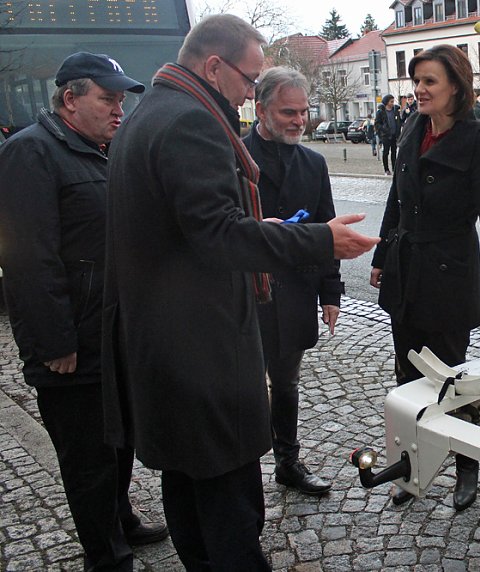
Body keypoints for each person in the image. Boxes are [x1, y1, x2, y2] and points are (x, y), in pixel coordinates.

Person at [102, 15, 378, 570]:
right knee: (227, 505)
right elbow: (218, 234)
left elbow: (189, 225)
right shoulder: (190, 121)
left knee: (186, 487)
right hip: (200, 350)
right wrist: (318, 240)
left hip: (164, 345)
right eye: (250, 79)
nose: (250, 92)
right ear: (212, 66)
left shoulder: (146, 114)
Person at [0, 52, 168, 571]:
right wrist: (55, 344)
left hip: (112, 333)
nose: (120, 110)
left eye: (122, 101)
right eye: (108, 99)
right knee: (87, 458)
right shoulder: (30, 153)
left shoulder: (103, 151)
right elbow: (27, 260)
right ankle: (107, 556)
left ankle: (123, 520)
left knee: (117, 445)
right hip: (71, 344)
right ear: (70, 99)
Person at [369, 44, 480, 512]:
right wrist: (381, 253)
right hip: (406, 269)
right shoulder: (413, 126)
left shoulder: (479, 143)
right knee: (406, 377)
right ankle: (409, 469)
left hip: (450, 275)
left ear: (456, 85)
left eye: (429, 81)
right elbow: (396, 197)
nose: (419, 89)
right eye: (416, 81)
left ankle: (465, 468)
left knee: (454, 382)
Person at [242, 66, 339, 496]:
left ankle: (287, 461)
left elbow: (328, 231)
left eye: (303, 111)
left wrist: (330, 293)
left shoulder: (314, 163)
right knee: (243, 388)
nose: (299, 120)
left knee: (286, 384)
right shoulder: (234, 157)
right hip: (246, 296)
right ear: (261, 110)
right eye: (288, 112)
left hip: (296, 294)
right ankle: (242, 471)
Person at [375, 93, 402, 175]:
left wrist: (398, 131)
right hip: (386, 135)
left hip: (394, 135)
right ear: (387, 102)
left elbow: (399, 121)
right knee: (386, 152)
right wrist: (383, 129)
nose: (392, 103)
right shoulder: (381, 112)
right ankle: (386, 169)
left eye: (393, 101)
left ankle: (394, 168)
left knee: (394, 152)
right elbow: (377, 123)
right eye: (391, 102)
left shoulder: (395, 110)